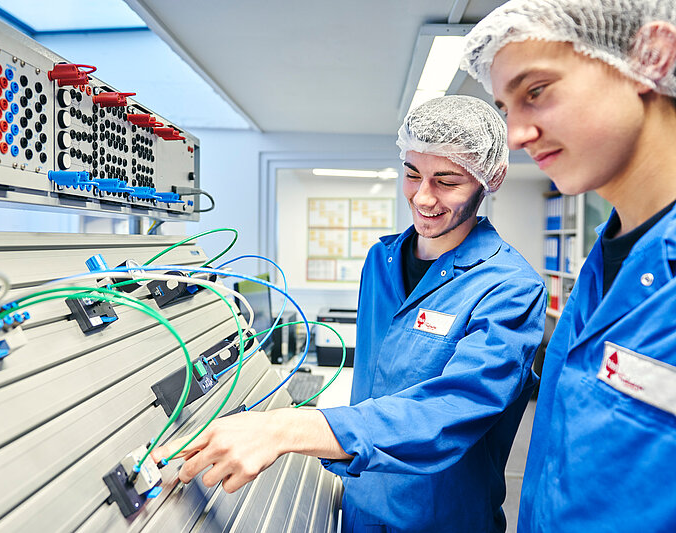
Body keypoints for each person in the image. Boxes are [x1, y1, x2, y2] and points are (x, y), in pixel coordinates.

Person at [152, 95, 547, 532]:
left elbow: (450, 410)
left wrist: (288, 429)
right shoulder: (382, 261)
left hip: (438, 519)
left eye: (447, 180)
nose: (424, 196)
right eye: (412, 173)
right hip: (358, 502)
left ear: (490, 178)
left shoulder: (510, 288)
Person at [461, 1, 676, 531]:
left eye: (536, 92)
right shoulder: (604, 264)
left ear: (651, 56)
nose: (514, 136)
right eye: (506, 108)